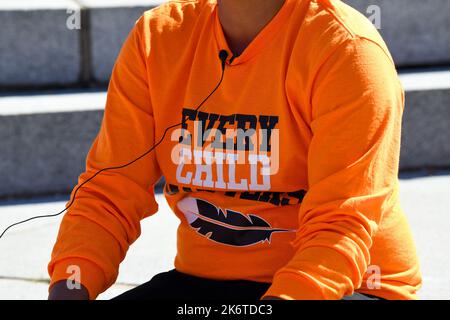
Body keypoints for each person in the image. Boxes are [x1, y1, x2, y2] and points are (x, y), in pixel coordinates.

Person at [48, 0, 422, 300]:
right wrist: (70, 284)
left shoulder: (347, 50)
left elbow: (340, 228)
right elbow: (109, 193)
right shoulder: (158, 37)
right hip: (205, 287)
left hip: (346, 286)